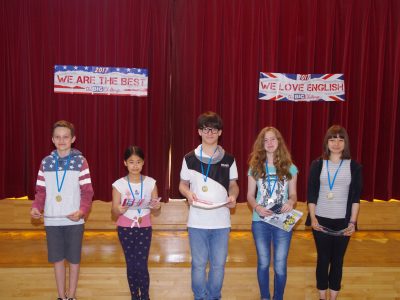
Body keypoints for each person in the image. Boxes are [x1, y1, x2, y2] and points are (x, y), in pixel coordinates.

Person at [30, 120, 94, 300]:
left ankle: (71, 296)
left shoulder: (81, 161)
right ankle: (61, 296)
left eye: (66, 137)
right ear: (52, 139)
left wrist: (82, 211)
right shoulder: (46, 162)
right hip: (52, 220)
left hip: (74, 220)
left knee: (73, 260)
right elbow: (41, 191)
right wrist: (36, 207)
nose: (62, 140)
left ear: (73, 139)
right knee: (58, 260)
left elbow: (87, 191)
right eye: (57, 137)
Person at [179, 111, 239, 300]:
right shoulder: (189, 158)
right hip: (197, 222)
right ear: (199, 131)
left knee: (218, 264)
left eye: (214, 129)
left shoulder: (229, 159)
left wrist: (233, 196)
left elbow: (233, 185)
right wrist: (188, 194)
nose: (210, 132)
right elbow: (182, 184)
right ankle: (200, 297)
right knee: (198, 264)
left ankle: (214, 297)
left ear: (220, 132)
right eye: (206, 128)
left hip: (221, 222)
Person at [306, 125, 362, 300]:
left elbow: (355, 198)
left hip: (343, 223)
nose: (336, 143)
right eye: (332, 139)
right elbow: (311, 194)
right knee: (323, 260)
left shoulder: (354, 166)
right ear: (326, 142)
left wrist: (352, 222)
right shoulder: (317, 164)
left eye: (340, 139)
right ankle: (323, 297)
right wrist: (313, 218)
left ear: (345, 143)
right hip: (320, 220)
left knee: (338, 261)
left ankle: (333, 298)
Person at [247, 126, 298, 300]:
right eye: (265, 140)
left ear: (279, 142)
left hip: (282, 220)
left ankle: (278, 297)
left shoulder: (290, 168)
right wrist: (257, 207)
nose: (269, 143)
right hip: (260, 220)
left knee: (280, 265)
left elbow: (293, 194)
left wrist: (291, 201)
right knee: (263, 262)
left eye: (273, 139)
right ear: (261, 144)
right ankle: (264, 297)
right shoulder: (255, 167)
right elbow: (249, 196)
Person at [112, 146, 161, 300]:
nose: (135, 165)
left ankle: (145, 296)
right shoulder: (118, 184)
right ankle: (135, 295)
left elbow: (156, 211)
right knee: (131, 264)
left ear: (143, 163)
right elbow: (113, 212)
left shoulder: (151, 183)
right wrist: (119, 209)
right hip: (125, 228)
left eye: (138, 162)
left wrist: (157, 206)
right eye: (131, 162)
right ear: (125, 163)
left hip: (144, 227)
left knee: (141, 264)